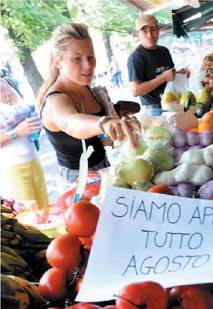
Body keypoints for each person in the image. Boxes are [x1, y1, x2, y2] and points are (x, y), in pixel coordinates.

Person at [36, 22, 139, 187]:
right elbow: (71, 122)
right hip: (77, 180)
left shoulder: (86, 87)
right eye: (77, 59)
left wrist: (118, 117)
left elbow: (97, 131)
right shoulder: (55, 100)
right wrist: (104, 122)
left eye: (90, 57)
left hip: (104, 166)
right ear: (57, 62)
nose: (88, 65)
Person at [0, 78, 49, 208]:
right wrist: (16, 132)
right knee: (29, 221)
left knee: (46, 212)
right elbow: (18, 130)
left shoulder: (8, 82)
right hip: (12, 169)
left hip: (33, 160)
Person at [127, 14, 176, 116]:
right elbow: (135, 91)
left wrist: (179, 73)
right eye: (144, 31)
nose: (149, 35)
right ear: (138, 34)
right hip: (155, 109)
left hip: (174, 102)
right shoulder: (136, 57)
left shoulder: (164, 51)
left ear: (158, 31)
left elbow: (169, 74)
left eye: (153, 29)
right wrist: (163, 78)